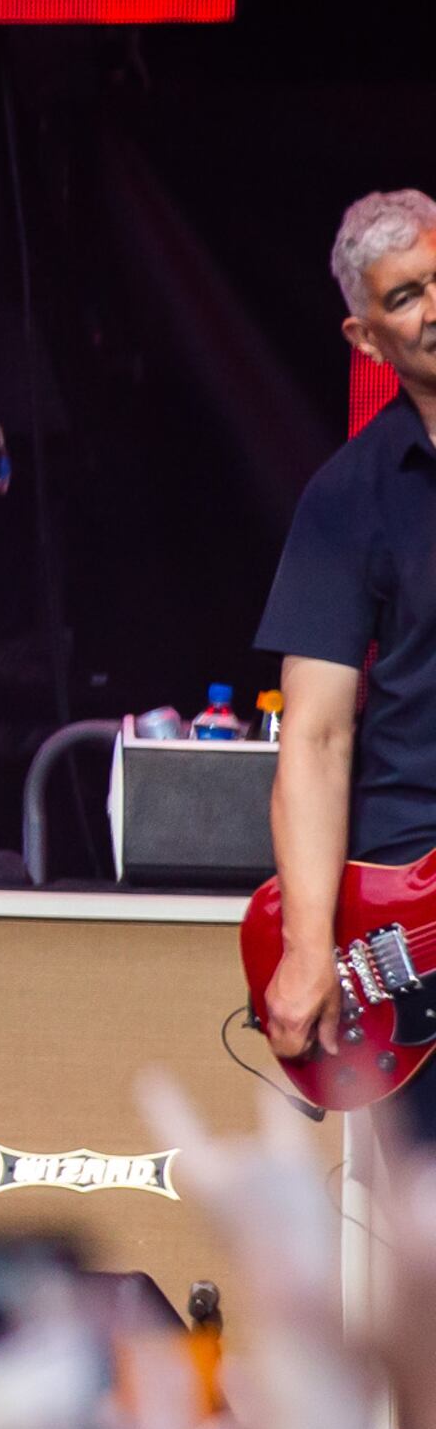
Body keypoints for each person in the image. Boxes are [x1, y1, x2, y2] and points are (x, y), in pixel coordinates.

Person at [258, 188, 436, 1062]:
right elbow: (318, 735)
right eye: (406, 297)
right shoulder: (345, 498)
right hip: (413, 892)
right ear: (367, 338)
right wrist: (304, 946)